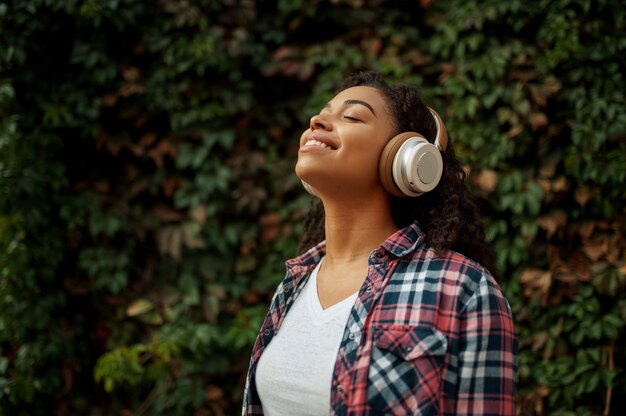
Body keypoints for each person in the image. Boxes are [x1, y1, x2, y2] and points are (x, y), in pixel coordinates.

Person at [242, 70, 517, 415]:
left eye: (352, 116)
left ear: (406, 158)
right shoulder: (294, 283)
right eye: (322, 112)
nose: (317, 120)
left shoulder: (463, 288)